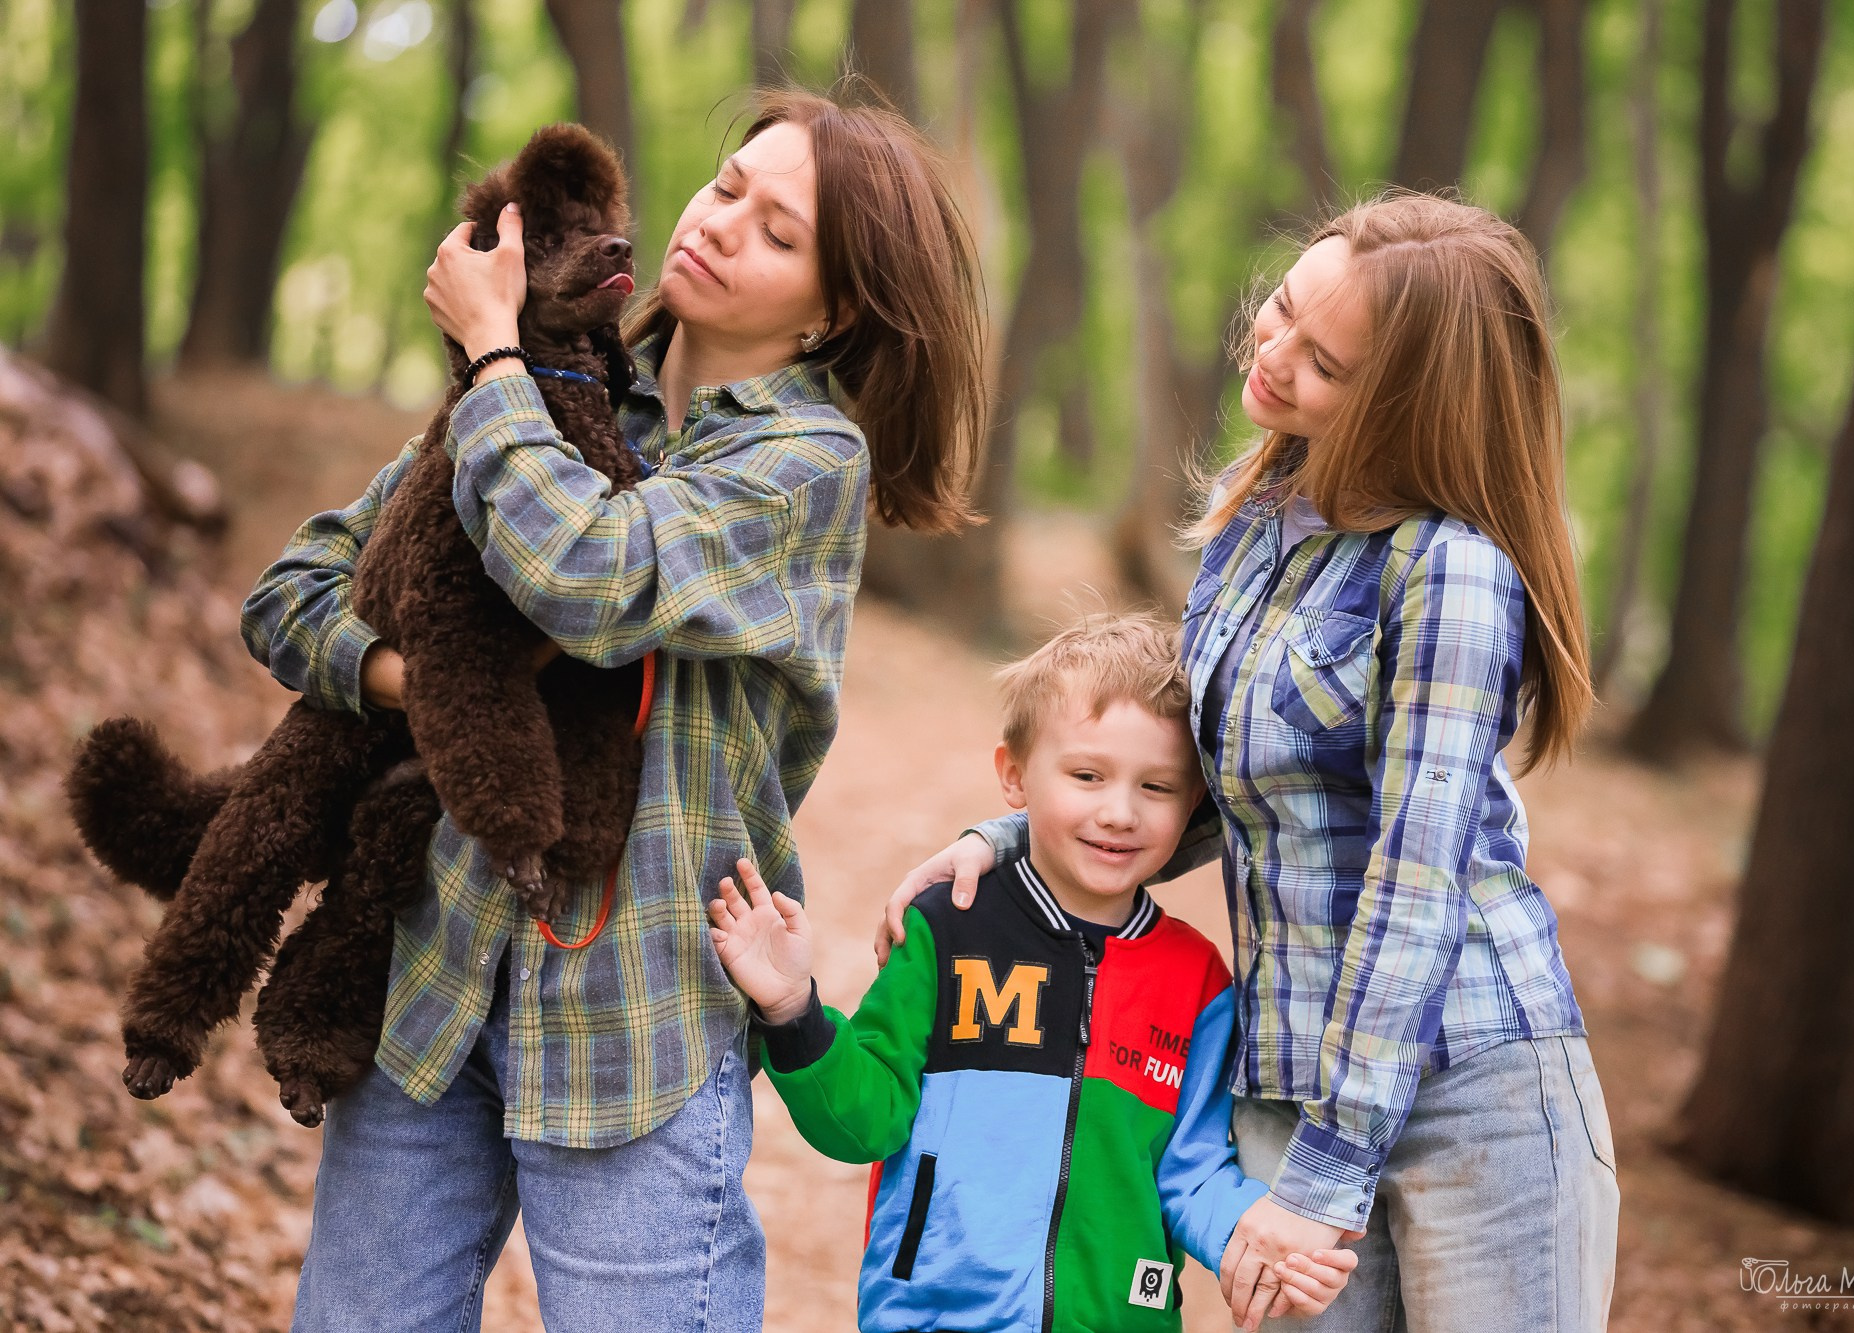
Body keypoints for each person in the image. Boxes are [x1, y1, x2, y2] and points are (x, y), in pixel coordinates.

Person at [246, 89, 987, 1331]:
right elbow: (293, 592)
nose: (718, 221)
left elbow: (590, 575)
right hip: (434, 965)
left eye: (779, 230)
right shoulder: (549, 385)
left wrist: (489, 364)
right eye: (727, 184)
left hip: (635, 1015)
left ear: (836, 306)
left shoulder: (805, 464)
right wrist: (426, 685)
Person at [881, 193, 1619, 1331]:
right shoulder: (1255, 524)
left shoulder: (1450, 573)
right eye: (1279, 311)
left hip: (1471, 1089)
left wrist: (1327, 1177)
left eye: (1321, 361)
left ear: (1403, 402)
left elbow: (1413, 884)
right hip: (1286, 1073)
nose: (1271, 356)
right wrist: (1007, 845)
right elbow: (1227, 797)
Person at [709, 613, 1358, 1332]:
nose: (1119, 811)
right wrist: (793, 1008)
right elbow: (864, 1121)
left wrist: (1257, 1241)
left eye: (1157, 786)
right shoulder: (947, 927)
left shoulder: (1196, 980)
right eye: (1087, 775)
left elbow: (1191, 1170)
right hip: (936, 1315)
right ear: (1015, 776)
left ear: (1194, 802)